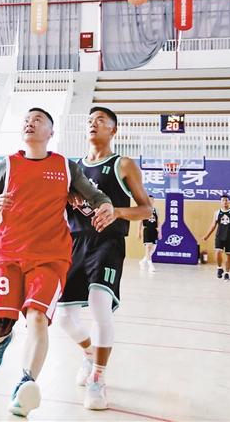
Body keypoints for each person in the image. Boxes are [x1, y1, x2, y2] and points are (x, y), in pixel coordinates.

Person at [0, 108, 115, 418]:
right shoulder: (8, 164)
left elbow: (94, 195)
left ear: (51, 132)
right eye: (27, 120)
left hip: (50, 256)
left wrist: (105, 206)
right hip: (8, 254)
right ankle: (0, 340)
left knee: (38, 316)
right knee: (0, 323)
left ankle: (25, 385)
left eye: (38, 120)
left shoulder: (65, 167)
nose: (30, 123)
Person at [55, 106, 152, 411]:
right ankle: (88, 353)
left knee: (99, 304)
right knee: (64, 318)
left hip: (107, 242)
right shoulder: (73, 168)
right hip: (75, 242)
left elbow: (147, 209)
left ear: (113, 130)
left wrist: (117, 212)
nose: (93, 124)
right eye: (89, 120)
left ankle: (98, 379)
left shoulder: (123, 164)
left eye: (100, 120)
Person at [202, 195, 230, 281]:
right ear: (221, 202)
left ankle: (227, 273)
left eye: (226, 200)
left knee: (229, 256)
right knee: (217, 252)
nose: (225, 202)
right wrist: (207, 235)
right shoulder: (217, 212)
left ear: (229, 202)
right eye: (223, 200)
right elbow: (213, 225)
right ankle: (219, 268)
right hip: (219, 236)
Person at [138, 195, 160, 272]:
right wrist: (139, 232)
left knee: (153, 249)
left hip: (154, 230)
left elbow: (158, 221)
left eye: (152, 200)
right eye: (149, 200)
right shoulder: (144, 209)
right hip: (147, 230)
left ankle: (143, 261)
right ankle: (150, 266)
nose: (151, 201)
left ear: (154, 201)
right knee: (148, 247)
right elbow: (140, 222)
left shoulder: (155, 210)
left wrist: (159, 231)